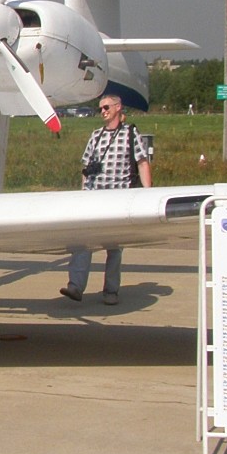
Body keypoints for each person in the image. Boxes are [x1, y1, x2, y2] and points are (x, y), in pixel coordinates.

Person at [60, 95, 152, 306]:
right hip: (95, 198)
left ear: (118, 108)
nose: (103, 111)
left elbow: (142, 163)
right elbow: (86, 167)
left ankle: (111, 290)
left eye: (106, 107)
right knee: (83, 241)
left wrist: (148, 194)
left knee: (114, 247)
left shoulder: (131, 134)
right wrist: (83, 191)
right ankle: (75, 285)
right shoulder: (96, 136)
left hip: (119, 198)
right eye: (100, 108)